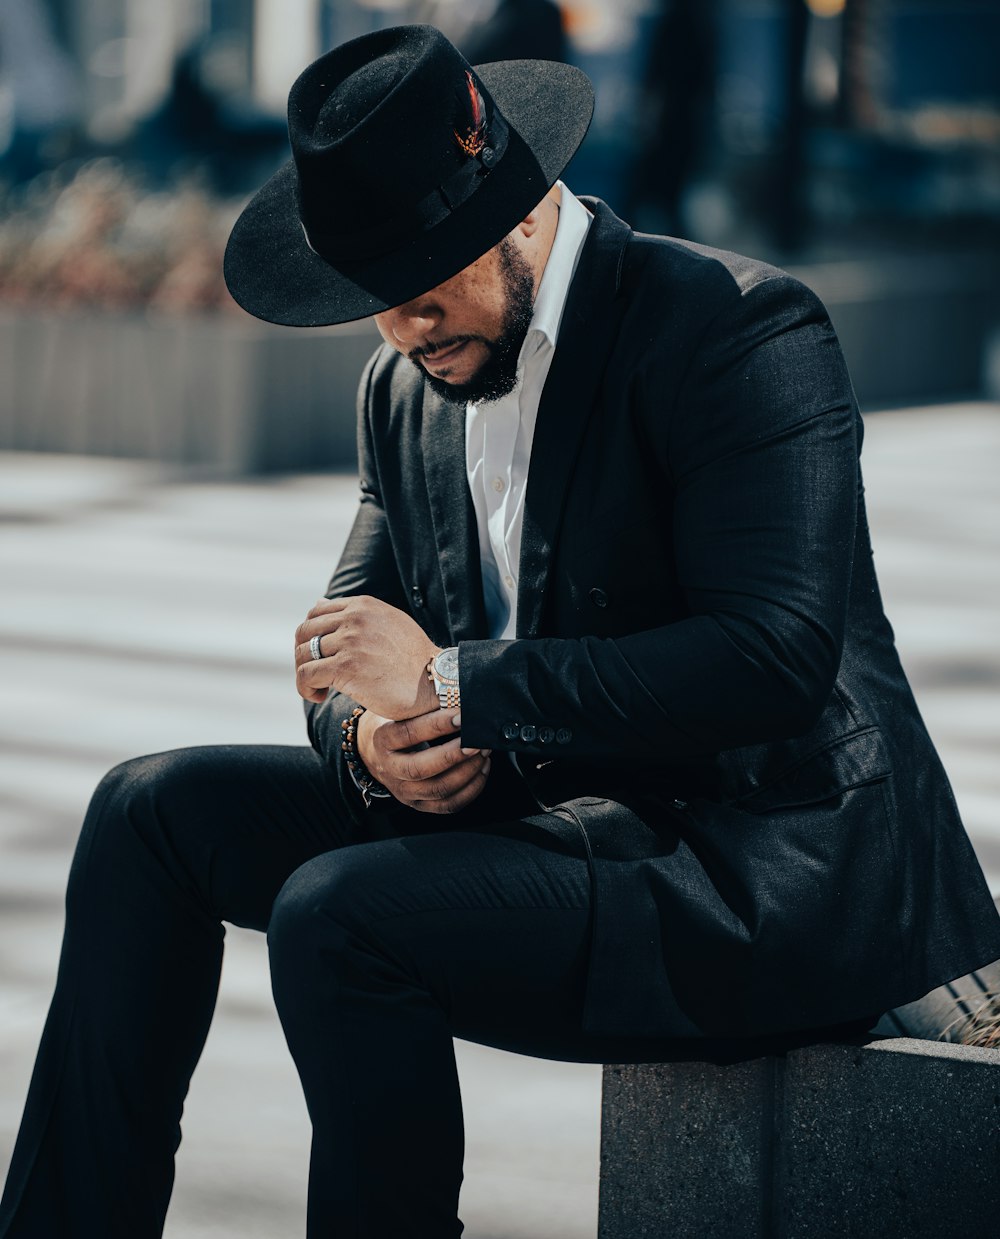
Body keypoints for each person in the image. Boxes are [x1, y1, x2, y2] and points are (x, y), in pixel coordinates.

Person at [2, 24, 999, 1239]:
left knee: (340, 914)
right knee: (144, 813)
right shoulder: (405, 386)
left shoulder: (734, 328)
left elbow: (773, 660)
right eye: (379, 304)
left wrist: (465, 688)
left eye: (428, 288)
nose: (406, 331)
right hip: (559, 816)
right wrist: (366, 742)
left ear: (524, 214)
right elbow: (348, 651)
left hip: (757, 869)